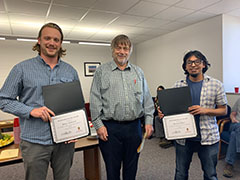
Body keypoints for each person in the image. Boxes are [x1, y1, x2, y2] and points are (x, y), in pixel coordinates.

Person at [0, 23, 81, 180]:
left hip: (65, 141)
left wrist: (77, 130)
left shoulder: (70, 71)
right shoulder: (21, 69)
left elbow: (76, 105)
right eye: (47, 38)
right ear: (39, 40)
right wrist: (30, 111)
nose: (52, 42)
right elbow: (3, 100)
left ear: (60, 43)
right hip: (34, 141)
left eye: (56, 39)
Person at [90, 34, 154, 180]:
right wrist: (98, 125)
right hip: (110, 129)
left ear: (130, 51)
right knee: (112, 169)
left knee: (131, 168)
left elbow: (147, 99)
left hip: (134, 128)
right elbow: (94, 100)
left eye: (125, 48)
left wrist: (149, 121)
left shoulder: (138, 72)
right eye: (118, 48)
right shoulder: (102, 72)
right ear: (113, 50)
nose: (122, 52)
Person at [158, 50, 227, 180]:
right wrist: (164, 113)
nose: (193, 65)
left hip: (208, 137)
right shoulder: (178, 85)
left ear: (204, 64)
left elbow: (223, 110)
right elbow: (172, 110)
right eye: (189, 62)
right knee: (180, 174)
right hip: (183, 138)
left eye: (197, 62)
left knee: (210, 174)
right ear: (185, 66)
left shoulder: (216, 84)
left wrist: (204, 110)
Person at [223, 98, 240, 178]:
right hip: (236, 124)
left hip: (236, 131)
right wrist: (233, 119)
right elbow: (232, 114)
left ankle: (229, 164)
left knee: (234, 135)